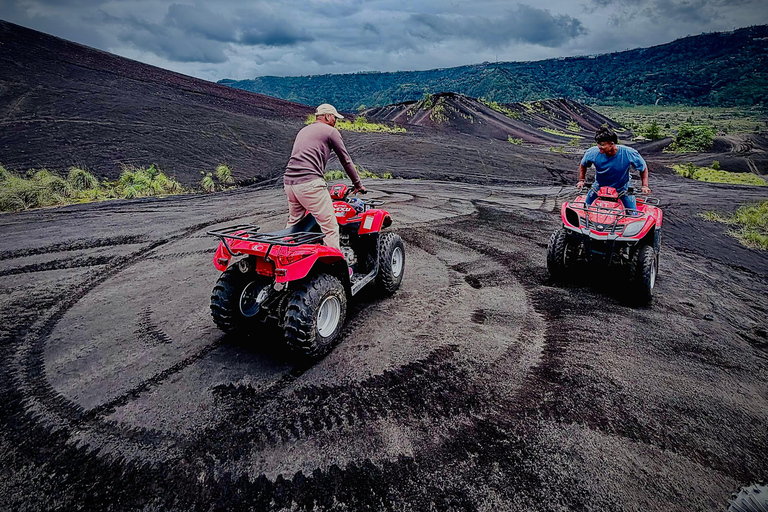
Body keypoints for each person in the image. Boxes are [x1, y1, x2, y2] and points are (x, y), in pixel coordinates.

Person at [283, 103, 367, 252]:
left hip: (289, 183)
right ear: (328, 116)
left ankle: (284, 254)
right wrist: (358, 184)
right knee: (330, 226)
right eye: (335, 118)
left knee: (295, 224)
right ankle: (335, 270)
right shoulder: (330, 131)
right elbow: (346, 160)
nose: (336, 121)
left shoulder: (303, 130)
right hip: (309, 182)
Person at [576, 126, 650, 210]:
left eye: (602, 144)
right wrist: (581, 181)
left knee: (632, 213)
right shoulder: (592, 152)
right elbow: (583, 164)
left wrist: (645, 186)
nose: (599, 146)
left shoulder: (628, 153)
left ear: (611, 143)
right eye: (598, 143)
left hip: (622, 188)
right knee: (586, 208)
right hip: (599, 186)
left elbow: (643, 168)